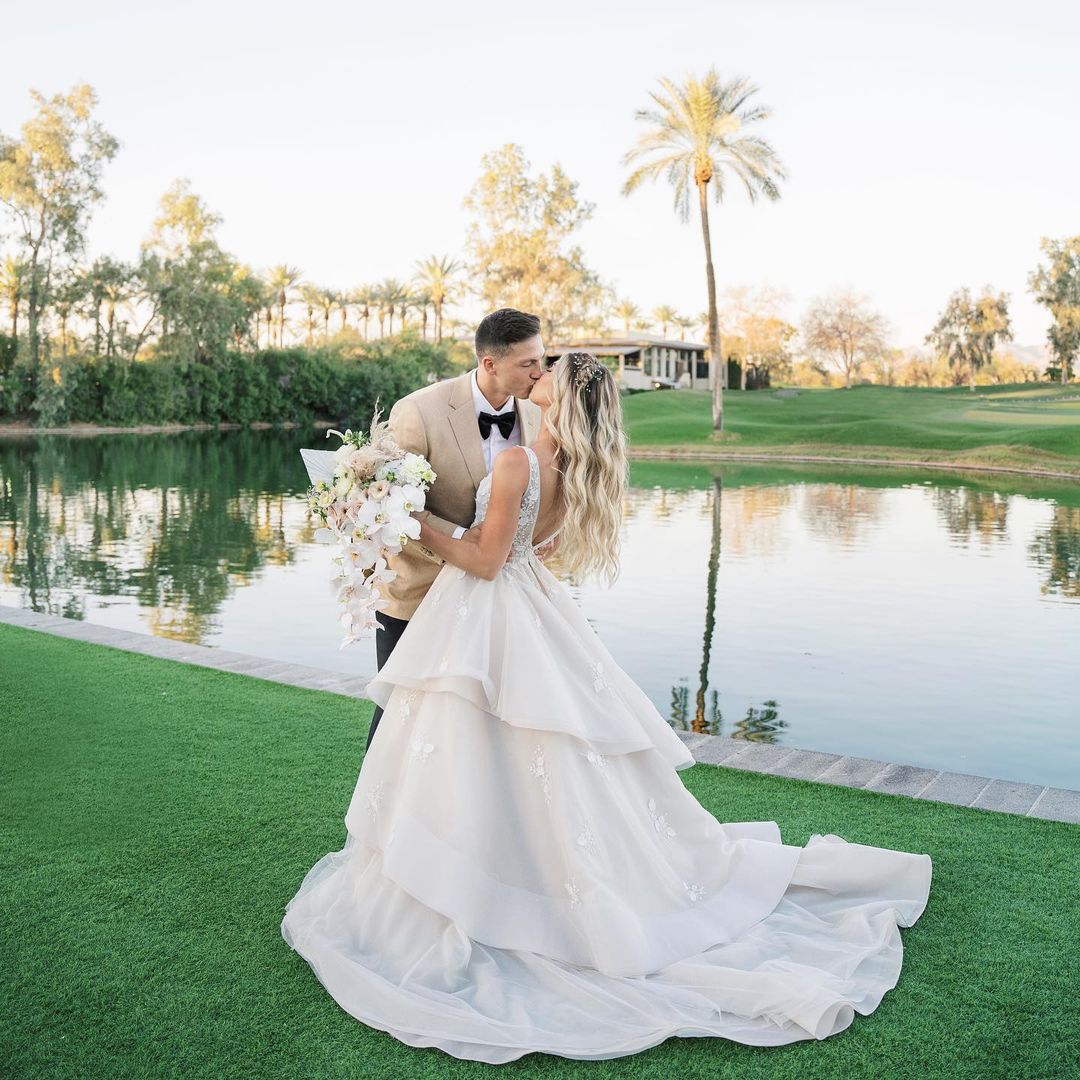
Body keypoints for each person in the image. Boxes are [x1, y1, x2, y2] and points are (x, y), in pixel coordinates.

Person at [280, 350, 933, 1064]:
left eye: (548, 372)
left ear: (562, 393)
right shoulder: (574, 471)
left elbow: (485, 561)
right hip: (528, 608)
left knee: (489, 741)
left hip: (489, 610)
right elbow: (532, 546)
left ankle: (484, 886)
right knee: (529, 750)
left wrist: (404, 518)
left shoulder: (518, 463)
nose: (537, 376)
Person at [363, 308, 548, 752]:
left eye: (541, 359)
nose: (540, 372)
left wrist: (541, 538)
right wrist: (465, 540)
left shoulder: (539, 412)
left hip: (500, 600)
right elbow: (390, 503)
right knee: (398, 716)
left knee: (484, 720)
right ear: (490, 364)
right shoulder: (418, 411)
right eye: (529, 363)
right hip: (418, 591)